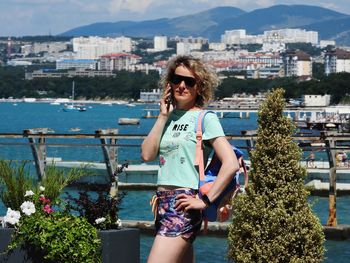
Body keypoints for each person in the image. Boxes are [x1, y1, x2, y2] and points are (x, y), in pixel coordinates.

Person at [141, 55, 240, 263]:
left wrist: (205, 201)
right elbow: (147, 155)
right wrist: (162, 117)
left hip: (183, 204)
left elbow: (230, 164)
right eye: (177, 80)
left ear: (199, 87)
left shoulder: (205, 119)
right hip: (162, 204)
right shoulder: (167, 117)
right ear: (170, 83)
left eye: (190, 81)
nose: (182, 86)